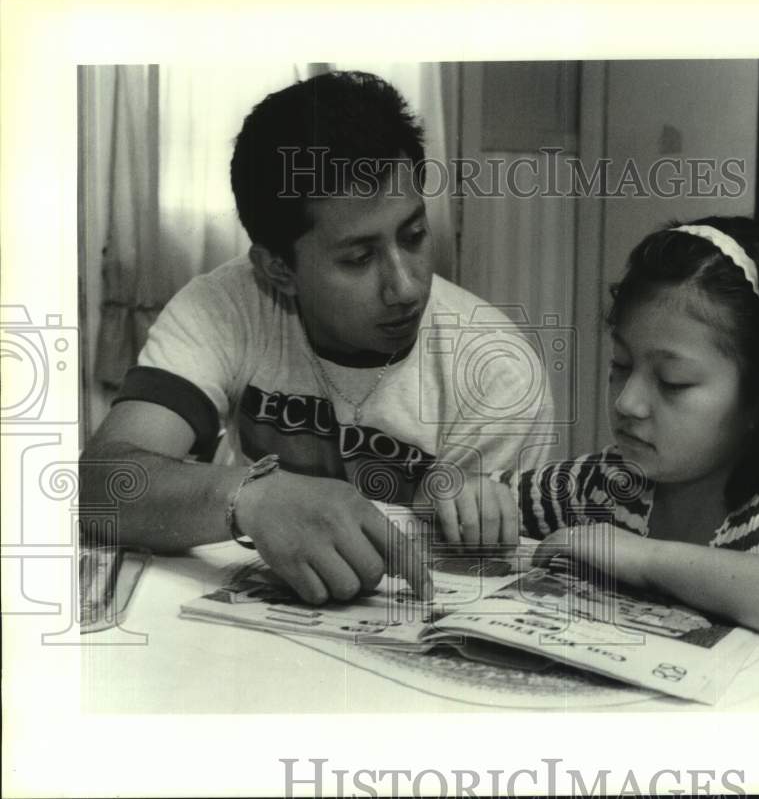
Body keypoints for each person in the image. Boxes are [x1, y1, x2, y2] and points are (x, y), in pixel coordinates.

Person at [81, 71, 550, 605]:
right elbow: (102, 485)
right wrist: (251, 501)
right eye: (358, 258)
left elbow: (489, 591)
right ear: (277, 269)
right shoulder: (227, 304)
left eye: (414, 236)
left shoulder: (496, 365)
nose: (405, 286)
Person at [498, 216, 759, 662]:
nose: (628, 402)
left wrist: (645, 559)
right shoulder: (604, 485)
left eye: (672, 382)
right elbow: (480, 501)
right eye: (620, 364)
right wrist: (472, 499)